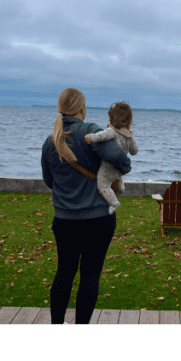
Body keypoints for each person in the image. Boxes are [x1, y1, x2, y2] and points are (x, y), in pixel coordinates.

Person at [41, 87, 131, 324]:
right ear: (82, 108)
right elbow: (121, 160)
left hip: (63, 221)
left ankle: (56, 326)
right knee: (90, 276)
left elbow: (50, 182)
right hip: (97, 219)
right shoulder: (90, 131)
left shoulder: (50, 142)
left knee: (64, 273)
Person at [83, 101, 139, 215]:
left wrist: (91, 137)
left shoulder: (112, 131)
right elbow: (134, 151)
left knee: (102, 184)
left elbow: (102, 136)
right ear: (129, 121)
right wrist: (131, 142)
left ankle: (113, 202)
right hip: (120, 168)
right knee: (117, 177)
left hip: (109, 167)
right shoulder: (129, 136)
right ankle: (121, 189)